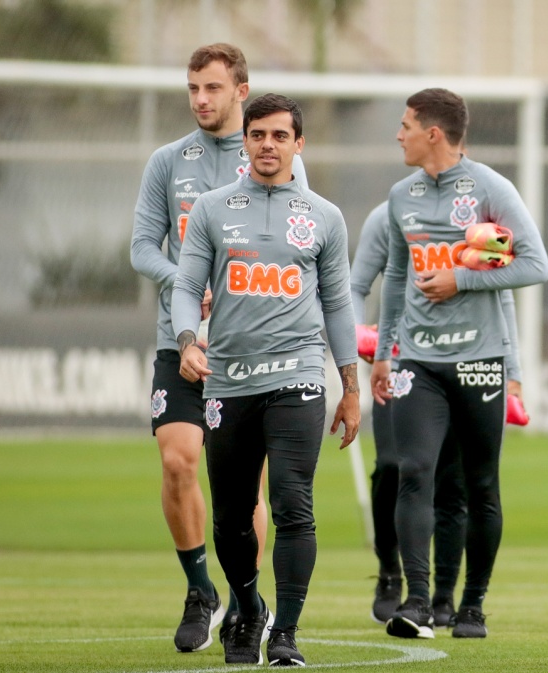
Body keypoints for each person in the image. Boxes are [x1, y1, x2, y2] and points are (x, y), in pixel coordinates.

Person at [171, 93, 359, 666]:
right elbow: (184, 288)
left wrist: (349, 386)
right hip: (228, 380)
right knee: (230, 514)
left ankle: (287, 634)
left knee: (292, 504)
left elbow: (339, 306)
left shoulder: (325, 216)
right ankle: (249, 607)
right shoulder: (210, 208)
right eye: (259, 135)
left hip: (298, 375)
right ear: (246, 141)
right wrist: (186, 342)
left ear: (299, 143)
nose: (269, 145)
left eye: (281, 136)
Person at [131, 43, 307, 653]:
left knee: (245, 489)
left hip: (249, 347)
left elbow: (297, 237)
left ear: (240, 89)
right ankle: (200, 588)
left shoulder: (271, 150)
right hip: (177, 336)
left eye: (212, 88)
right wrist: (186, 280)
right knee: (178, 459)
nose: (201, 100)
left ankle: (245, 601)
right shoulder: (167, 161)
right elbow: (141, 247)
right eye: (193, 89)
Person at [370, 88, 548, 640]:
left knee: (480, 485)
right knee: (412, 470)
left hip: (479, 361)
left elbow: (535, 264)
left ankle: (472, 604)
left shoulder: (491, 188)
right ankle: (418, 601)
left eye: (405, 126)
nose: (397, 135)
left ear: (433, 133)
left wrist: (463, 278)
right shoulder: (401, 196)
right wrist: (382, 354)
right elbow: (397, 278)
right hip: (417, 362)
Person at [352, 201, 526, 628]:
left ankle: (443, 596)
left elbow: (501, 294)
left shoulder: (483, 214)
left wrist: (514, 370)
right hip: (404, 362)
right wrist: (359, 340)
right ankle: (392, 573)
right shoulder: (389, 212)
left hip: (469, 361)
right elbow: (357, 287)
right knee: (395, 467)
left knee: (454, 482)